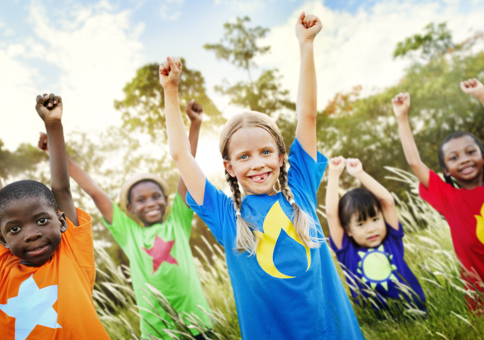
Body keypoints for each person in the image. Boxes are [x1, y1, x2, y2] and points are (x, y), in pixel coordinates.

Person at [160, 12, 363, 340]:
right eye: (244, 156)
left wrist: (306, 44)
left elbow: (307, 115)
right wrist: (171, 91)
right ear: (229, 167)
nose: (257, 164)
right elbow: (181, 155)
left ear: (282, 157)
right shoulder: (225, 215)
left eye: (266, 152)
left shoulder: (301, 186)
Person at [37, 100, 212, 339]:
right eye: (141, 200)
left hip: (198, 322)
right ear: (129, 208)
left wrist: (195, 125)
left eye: (156, 196)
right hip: (158, 331)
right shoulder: (129, 233)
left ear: (166, 200)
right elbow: (96, 193)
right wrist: (57, 154)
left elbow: (186, 169)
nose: (150, 202)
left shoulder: (178, 222)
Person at [0, 94, 110, 339]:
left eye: (41, 221)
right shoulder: (3, 269)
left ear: (61, 221)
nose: (32, 234)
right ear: (3, 241)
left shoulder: (70, 252)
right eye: (15, 229)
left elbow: (62, 189)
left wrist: (53, 125)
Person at [392, 78, 484, 311]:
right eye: (453, 158)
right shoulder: (449, 199)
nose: (463, 159)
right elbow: (414, 162)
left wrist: (482, 95)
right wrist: (402, 117)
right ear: (445, 170)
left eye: (470, 152)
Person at [326, 157, 426, 315]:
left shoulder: (391, 239)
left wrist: (359, 173)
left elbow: (387, 201)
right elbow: (332, 215)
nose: (371, 229)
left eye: (375, 219)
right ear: (348, 230)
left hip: (412, 310)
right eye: (361, 224)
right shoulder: (347, 251)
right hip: (376, 318)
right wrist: (333, 174)